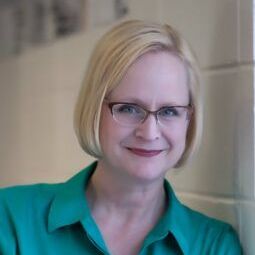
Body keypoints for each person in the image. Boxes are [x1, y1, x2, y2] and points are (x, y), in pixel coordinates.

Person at [0, 20, 242, 255]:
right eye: (129, 108)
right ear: (95, 109)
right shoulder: (11, 220)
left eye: (169, 111)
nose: (149, 133)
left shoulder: (213, 246)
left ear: (189, 120)